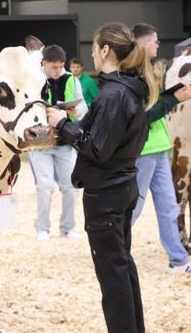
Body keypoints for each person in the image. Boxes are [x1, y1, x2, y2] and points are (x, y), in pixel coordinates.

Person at [48, 22, 158, 333]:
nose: (93, 55)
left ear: (106, 50)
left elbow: (97, 148)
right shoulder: (130, 89)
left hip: (106, 194)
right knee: (123, 267)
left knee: (113, 279)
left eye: (95, 48)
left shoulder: (113, 94)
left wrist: (62, 124)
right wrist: (71, 126)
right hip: (123, 187)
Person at [130, 23, 191, 275]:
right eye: (155, 41)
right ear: (145, 44)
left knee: (168, 206)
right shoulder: (134, 76)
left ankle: (178, 260)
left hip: (160, 147)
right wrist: (174, 99)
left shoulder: (148, 72)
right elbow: (141, 115)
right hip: (143, 151)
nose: (158, 45)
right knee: (133, 208)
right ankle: (112, 247)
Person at [29, 45, 88, 241]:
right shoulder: (32, 78)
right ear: (43, 63)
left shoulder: (72, 79)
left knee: (71, 187)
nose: (58, 70)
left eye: (61, 66)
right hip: (40, 141)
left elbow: (83, 110)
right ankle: (42, 228)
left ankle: (68, 227)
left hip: (65, 142)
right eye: (53, 67)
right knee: (45, 186)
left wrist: (72, 112)